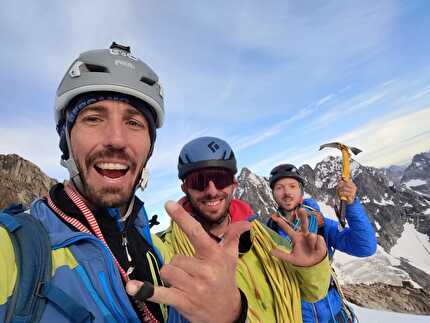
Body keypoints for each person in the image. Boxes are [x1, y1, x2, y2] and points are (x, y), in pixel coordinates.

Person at [0, 43, 249, 323]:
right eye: (93, 118)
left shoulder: (162, 254)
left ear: (149, 148)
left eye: (134, 123)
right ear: (66, 140)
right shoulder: (14, 250)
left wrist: (229, 315)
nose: (116, 140)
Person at [156, 136, 331, 323]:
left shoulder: (266, 237)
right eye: (199, 181)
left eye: (220, 179)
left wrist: (310, 266)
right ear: (185, 188)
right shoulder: (167, 250)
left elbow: (314, 293)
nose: (212, 191)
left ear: (234, 184)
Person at [267, 163, 377, 323]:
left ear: (301, 193)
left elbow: (364, 247)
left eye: (292, 186)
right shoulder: (269, 233)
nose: (287, 193)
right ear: (274, 195)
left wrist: (352, 204)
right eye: (279, 188)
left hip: (336, 315)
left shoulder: (320, 225)